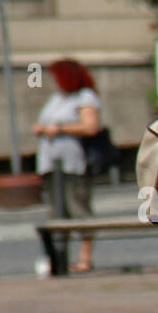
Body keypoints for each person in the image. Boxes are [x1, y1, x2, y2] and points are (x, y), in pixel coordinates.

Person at [32, 59, 102, 271]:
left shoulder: (85, 97)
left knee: (78, 210)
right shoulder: (58, 98)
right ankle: (59, 260)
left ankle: (85, 258)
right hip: (52, 165)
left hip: (74, 165)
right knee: (56, 212)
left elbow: (91, 127)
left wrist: (60, 129)